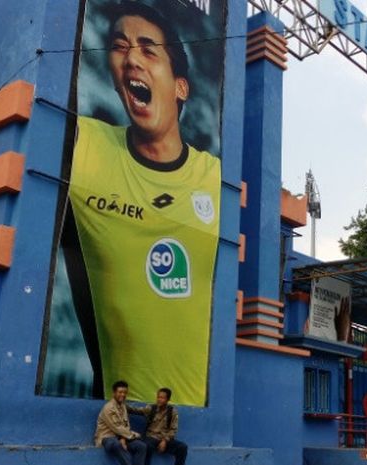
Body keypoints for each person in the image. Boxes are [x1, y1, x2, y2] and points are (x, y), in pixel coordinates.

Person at [64, 0, 221, 405]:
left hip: (195, 417)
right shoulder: (84, 145)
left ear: (180, 86)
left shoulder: (215, 181)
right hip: (118, 416)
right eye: (120, 47)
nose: (132, 58)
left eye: (148, 50)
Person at [128, 387, 188, 465]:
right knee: (146, 447)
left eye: (162, 398)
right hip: (151, 437)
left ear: (168, 399)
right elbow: (136, 410)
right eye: (158, 397)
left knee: (183, 447)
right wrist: (124, 405)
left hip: (165, 439)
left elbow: (173, 430)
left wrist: (164, 441)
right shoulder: (151, 408)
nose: (159, 399)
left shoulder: (172, 411)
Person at [95, 380, 148, 465]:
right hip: (107, 438)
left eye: (125, 392)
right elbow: (117, 428)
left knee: (141, 446)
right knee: (117, 444)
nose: (123, 395)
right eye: (120, 392)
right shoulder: (109, 408)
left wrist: (123, 438)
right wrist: (133, 435)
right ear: (114, 393)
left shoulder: (122, 405)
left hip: (121, 436)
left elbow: (130, 414)